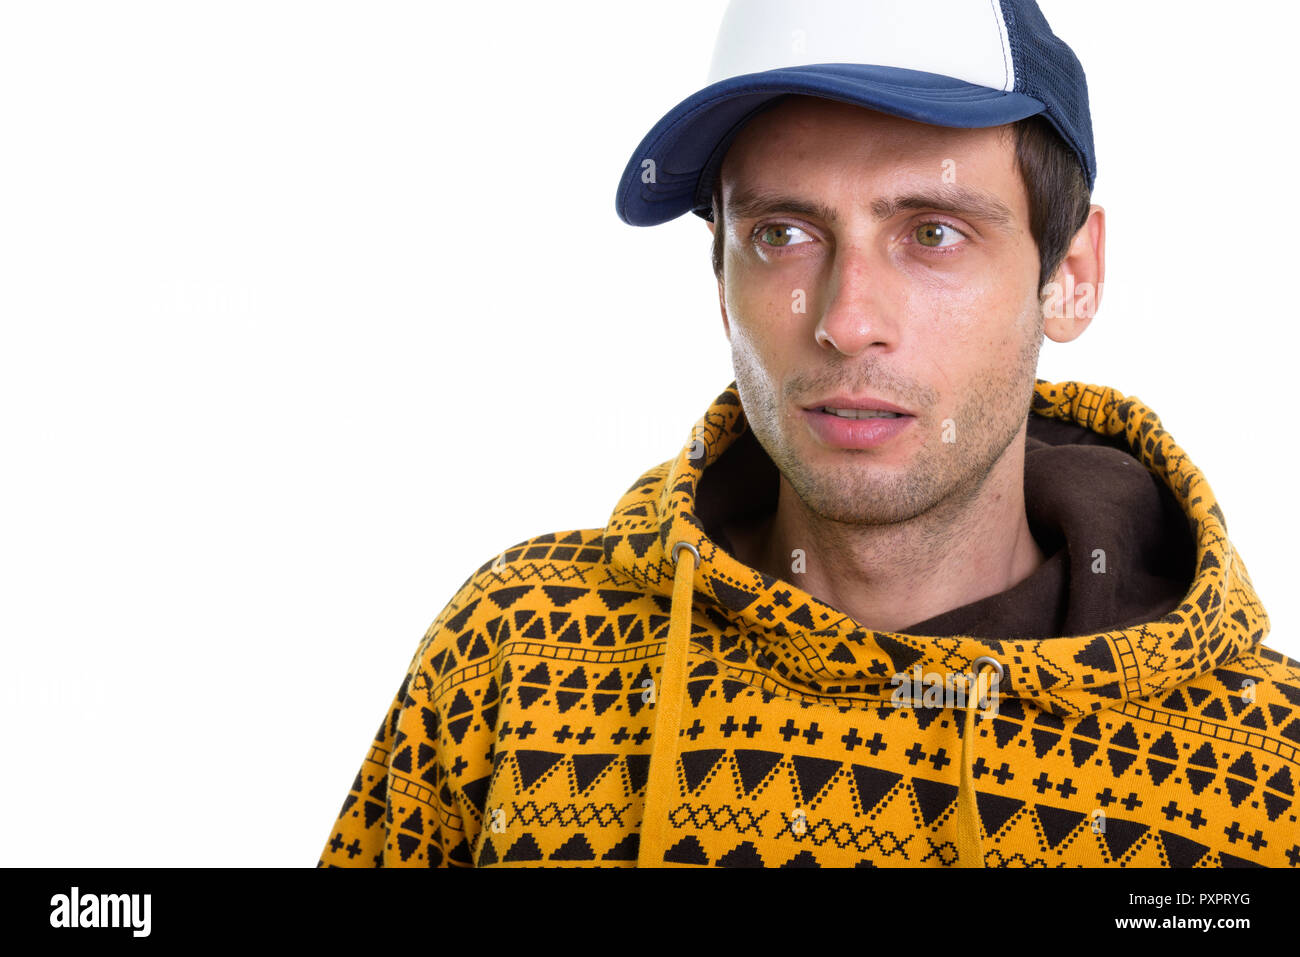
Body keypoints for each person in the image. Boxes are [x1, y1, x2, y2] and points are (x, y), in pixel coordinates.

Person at [317, 0, 1297, 868]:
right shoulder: (513, 656)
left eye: (932, 233)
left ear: (1068, 273)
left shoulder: (1267, 778)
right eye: (781, 234)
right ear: (719, 282)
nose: (845, 318)